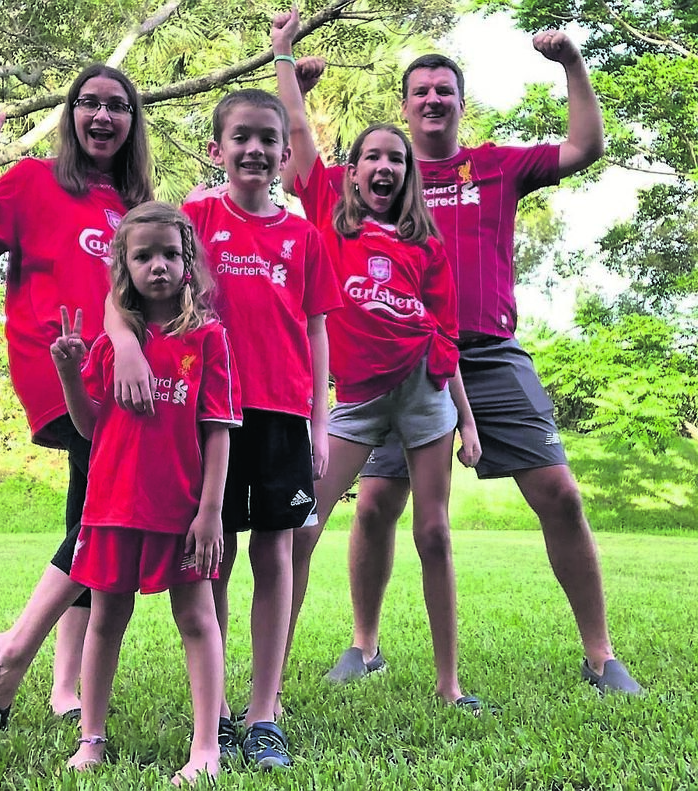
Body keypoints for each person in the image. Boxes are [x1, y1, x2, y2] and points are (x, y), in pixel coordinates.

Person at [296, 34, 642, 694]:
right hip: (401, 362)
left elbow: (586, 147)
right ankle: (364, 646)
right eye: (420, 90)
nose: (432, 98)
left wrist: (572, 60)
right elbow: (302, 175)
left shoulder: (498, 166)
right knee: (373, 507)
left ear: (460, 104)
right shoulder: (380, 174)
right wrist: (298, 90)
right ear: (404, 105)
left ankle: (601, 655)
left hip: (489, 353)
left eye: (443, 90)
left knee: (561, 495)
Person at [108, 88, 341, 768]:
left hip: (281, 416)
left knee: (276, 555)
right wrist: (124, 345)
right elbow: (123, 281)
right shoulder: (195, 218)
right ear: (216, 149)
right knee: (213, 555)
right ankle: (209, 711)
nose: (256, 149)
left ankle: (263, 711)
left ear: (285, 152)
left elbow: (318, 329)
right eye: (241, 137)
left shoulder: (305, 237)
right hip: (208, 417)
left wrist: (320, 422)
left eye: (269, 139)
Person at [272, 9, 485, 712]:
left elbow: (446, 335)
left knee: (433, 532)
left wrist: (469, 419)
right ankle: (265, 687)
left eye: (397, 159)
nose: (387, 166)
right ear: (354, 170)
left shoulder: (427, 245)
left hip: (424, 394)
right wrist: (283, 55)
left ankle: (450, 684)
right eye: (374, 157)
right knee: (303, 527)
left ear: (407, 174)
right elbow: (298, 134)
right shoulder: (328, 209)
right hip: (356, 398)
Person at [0, 64, 154, 737]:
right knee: (103, 522)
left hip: (122, 385)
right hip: (62, 373)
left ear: (131, 122)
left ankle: (67, 686)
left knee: (89, 514)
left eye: (117, 105)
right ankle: (5, 654)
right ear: (71, 113)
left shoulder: (132, 205)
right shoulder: (34, 181)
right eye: (89, 102)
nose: (102, 116)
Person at [51, 201, 240, 781]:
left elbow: (217, 432)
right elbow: (89, 427)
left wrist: (210, 513)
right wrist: (68, 370)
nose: (158, 266)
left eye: (170, 254)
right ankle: (92, 738)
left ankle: (205, 746)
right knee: (106, 619)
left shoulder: (207, 338)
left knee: (198, 618)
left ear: (189, 262)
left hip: (182, 511)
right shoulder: (112, 344)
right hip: (111, 508)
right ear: (124, 266)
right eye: (143, 256)